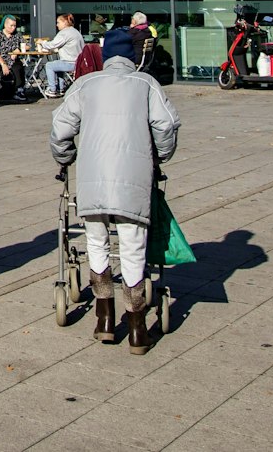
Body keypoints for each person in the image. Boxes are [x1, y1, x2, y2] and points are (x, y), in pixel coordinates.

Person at [50, 26, 181, 354]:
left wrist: (66, 156)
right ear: (133, 56)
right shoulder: (146, 84)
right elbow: (165, 125)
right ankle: (137, 328)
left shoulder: (85, 85)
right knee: (134, 248)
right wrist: (160, 156)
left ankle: (105, 319)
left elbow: (60, 128)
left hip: (93, 179)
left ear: (106, 55)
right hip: (134, 179)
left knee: (96, 242)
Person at [0, 14, 29, 101]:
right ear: (5, 25)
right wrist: (3, 64)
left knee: (18, 67)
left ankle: (19, 90)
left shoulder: (17, 35)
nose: (13, 28)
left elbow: (27, 45)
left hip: (13, 60)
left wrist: (18, 50)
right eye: (11, 25)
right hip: (0, 59)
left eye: (15, 26)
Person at [42, 13, 85, 97]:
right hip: (78, 62)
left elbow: (52, 44)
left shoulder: (64, 33)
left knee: (49, 65)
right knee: (58, 65)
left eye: (58, 22)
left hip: (70, 63)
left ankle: (52, 90)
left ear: (65, 23)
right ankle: (61, 88)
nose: (57, 25)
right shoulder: (75, 31)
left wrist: (42, 43)